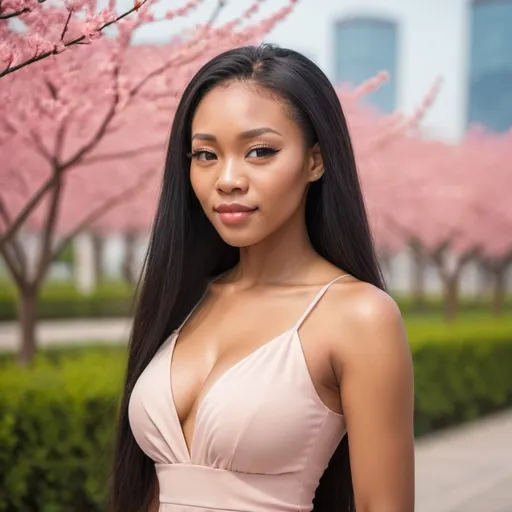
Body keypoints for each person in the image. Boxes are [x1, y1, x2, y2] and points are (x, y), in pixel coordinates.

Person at [109, 44, 415, 512]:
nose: (228, 178)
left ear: (315, 160)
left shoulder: (358, 316)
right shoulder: (185, 297)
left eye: (259, 151)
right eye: (205, 155)